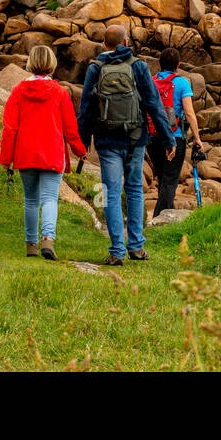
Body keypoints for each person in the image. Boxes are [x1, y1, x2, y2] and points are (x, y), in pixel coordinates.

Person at [77, 25, 175, 265]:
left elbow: (86, 110)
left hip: (106, 140)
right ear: (126, 41)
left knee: (110, 194)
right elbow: (154, 105)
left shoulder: (96, 68)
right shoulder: (138, 66)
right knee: (134, 190)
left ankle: (117, 251)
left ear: (104, 43)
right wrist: (168, 138)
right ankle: (137, 248)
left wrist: (81, 144)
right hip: (135, 139)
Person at [0, 45, 86, 261]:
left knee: (30, 200)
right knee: (49, 198)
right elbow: (70, 129)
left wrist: (6, 159)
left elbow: (10, 127)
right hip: (52, 152)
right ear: (52, 64)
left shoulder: (18, 91)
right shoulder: (59, 93)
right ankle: (48, 240)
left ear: (30, 63)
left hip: (25, 152)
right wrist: (79, 150)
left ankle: (31, 245)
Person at [147, 47, 202, 219]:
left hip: (152, 137)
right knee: (170, 181)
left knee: (163, 180)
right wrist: (197, 138)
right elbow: (189, 113)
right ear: (178, 65)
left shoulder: (151, 81)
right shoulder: (182, 83)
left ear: (160, 64)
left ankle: (165, 218)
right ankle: (158, 220)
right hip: (174, 137)